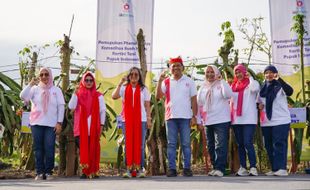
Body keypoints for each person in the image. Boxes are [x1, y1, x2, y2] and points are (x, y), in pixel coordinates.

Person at [20, 67, 65, 180]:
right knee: (38, 148)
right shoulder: (35, 89)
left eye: (46, 74)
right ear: (39, 77)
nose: (44, 77)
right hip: (36, 123)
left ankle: (48, 172)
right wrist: (30, 84)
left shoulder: (56, 90)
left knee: (49, 148)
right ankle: (40, 172)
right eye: (41, 75)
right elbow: (23, 96)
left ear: (50, 76)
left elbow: (61, 107)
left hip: (51, 124)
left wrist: (59, 122)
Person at [156, 56, 197, 177]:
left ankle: (187, 168)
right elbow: (158, 96)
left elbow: (194, 100)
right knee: (171, 144)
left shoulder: (189, 81)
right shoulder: (166, 81)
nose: (176, 68)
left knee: (185, 143)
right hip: (171, 117)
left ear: (182, 67)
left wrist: (194, 116)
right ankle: (172, 169)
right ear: (170, 68)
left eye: (178, 65)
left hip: (185, 117)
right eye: (173, 66)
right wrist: (159, 81)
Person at [112, 67, 152, 178]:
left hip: (141, 120)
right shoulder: (124, 88)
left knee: (140, 145)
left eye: (136, 74)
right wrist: (120, 83)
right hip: (127, 120)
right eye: (132, 74)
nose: (134, 76)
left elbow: (147, 105)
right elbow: (114, 96)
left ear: (139, 77)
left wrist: (149, 119)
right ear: (129, 76)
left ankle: (140, 169)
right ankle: (129, 169)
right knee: (128, 144)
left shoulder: (144, 89)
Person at [68, 72, 106, 179]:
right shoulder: (78, 94)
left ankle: (93, 171)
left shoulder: (98, 96)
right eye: (86, 80)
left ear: (93, 82)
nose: (88, 82)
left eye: (91, 80)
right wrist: (74, 94)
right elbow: (71, 106)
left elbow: (102, 111)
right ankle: (85, 171)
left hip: (94, 127)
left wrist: (102, 125)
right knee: (84, 149)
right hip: (80, 128)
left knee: (93, 149)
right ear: (83, 81)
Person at [197, 65, 233, 177]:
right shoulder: (202, 87)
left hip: (222, 120)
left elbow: (228, 95)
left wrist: (221, 80)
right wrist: (199, 121)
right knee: (211, 145)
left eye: (212, 72)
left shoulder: (221, 84)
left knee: (220, 145)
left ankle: (220, 168)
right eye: (207, 72)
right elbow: (199, 104)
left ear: (217, 73)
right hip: (208, 121)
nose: (209, 74)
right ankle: (214, 167)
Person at [258, 65, 293, 176]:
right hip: (267, 122)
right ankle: (274, 168)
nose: (269, 75)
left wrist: (280, 80)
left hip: (281, 120)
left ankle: (282, 168)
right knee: (268, 145)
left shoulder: (280, 86)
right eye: (266, 73)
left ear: (275, 73)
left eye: (271, 72)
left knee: (279, 144)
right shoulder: (262, 88)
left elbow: (290, 91)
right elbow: (259, 102)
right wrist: (259, 106)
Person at [230, 64, 260, 176]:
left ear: (244, 72)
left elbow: (255, 89)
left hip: (249, 119)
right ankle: (243, 167)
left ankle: (253, 167)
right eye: (236, 72)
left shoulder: (251, 83)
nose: (238, 74)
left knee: (248, 143)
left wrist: (250, 77)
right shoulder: (233, 86)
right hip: (236, 120)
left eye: (240, 72)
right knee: (240, 144)